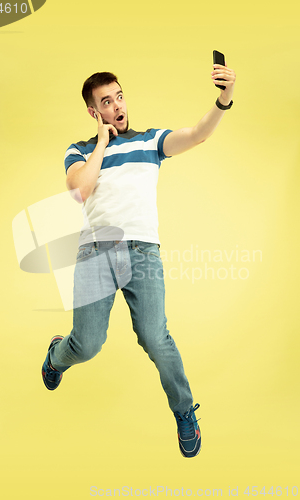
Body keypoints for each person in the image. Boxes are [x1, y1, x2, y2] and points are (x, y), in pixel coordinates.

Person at [42, 64, 236, 458]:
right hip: (96, 252)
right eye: (106, 102)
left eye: (119, 96)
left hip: (143, 251)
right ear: (94, 112)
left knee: (155, 336)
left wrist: (223, 99)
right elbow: (80, 189)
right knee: (88, 345)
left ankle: (185, 413)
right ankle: (56, 357)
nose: (117, 106)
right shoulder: (79, 150)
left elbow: (198, 135)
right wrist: (101, 141)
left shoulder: (150, 142)